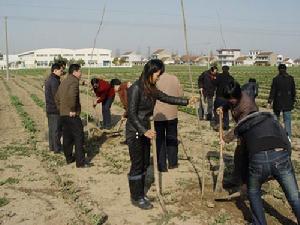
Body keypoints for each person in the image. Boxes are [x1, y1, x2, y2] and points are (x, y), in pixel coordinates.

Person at [223, 81, 300, 225]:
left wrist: (245, 181)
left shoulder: (245, 128)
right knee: (294, 196)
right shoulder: (272, 120)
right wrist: (284, 161)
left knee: (253, 192)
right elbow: (287, 142)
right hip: (281, 156)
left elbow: (245, 156)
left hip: (258, 160)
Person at [126, 59, 196, 210]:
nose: (158, 78)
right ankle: (136, 197)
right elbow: (131, 114)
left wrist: (186, 102)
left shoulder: (151, 88)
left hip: (146, 130)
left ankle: (141, 193)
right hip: (135, 131)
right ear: (150, 73)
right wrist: (143, 130)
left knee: (145, 163)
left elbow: (166, 97)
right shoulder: (136, 88)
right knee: (137, 165)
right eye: (157, 74)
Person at [55, 64, 90, 168]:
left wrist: (61, 109)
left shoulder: (64, 81)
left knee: (67, 137)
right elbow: (72, 96)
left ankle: (69, 158)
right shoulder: (74, 82)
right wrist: (72, 109)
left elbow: (56, 97)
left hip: (63, 114)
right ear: (75, 72)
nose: (81, 73)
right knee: (79, 136)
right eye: (80, 71)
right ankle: (80, 163)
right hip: (71, 114)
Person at [153, 73, 183, 172]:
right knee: (172, 137)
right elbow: (180, 95)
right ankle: (173, 163)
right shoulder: (174, 78)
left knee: (160, 139)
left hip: (158, 114)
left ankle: (162, 166)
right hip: (172, 113)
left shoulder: (154, 79)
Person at [268, 64, 296, 140]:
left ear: (278, 69)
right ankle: (288, 138)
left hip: (278, 102)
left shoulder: (276, 79)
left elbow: (273, 91)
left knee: (276, 119)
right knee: (287, 121)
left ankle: (276, 135)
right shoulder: (291, 78)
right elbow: (293, 91)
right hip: (288, 102)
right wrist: (293, 100)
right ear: (286, 69)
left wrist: (270, 100)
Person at [45, 63, 64, 153]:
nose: (62, 72)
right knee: (56, 129)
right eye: (61, 70)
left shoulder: (50, 79)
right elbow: (57, 96)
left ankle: (52, 147)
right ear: (55, 70)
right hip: (55, 109)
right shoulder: (54, 81)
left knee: (52, 129)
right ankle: (57, 149)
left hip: (50, 108)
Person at [212, 65, 234, 130]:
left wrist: (214, 78)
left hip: (219, 96)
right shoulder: (231, 78)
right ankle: (226, 125)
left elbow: (214, 83)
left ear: (222, 69)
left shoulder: (219, 76)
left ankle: (218, 125)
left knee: (216, 110)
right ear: (228, 70)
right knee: (225, 111)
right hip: (227, 97)